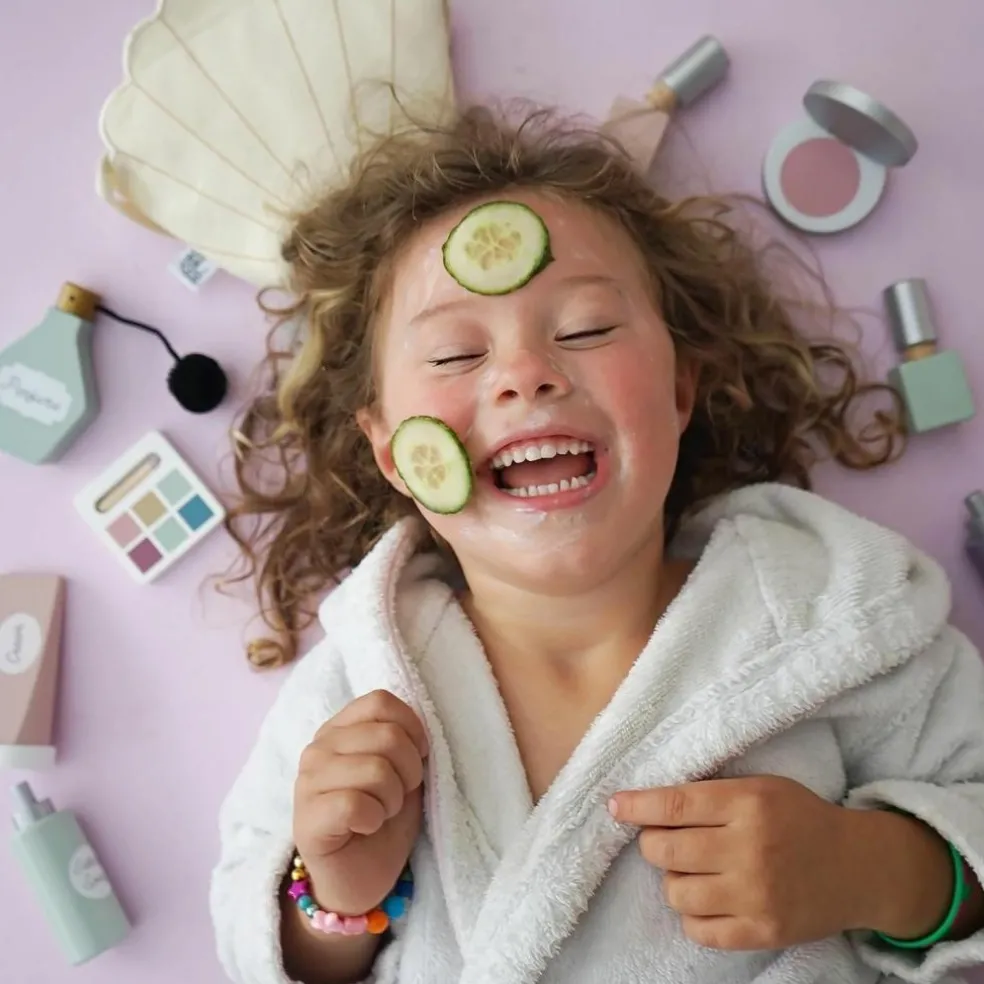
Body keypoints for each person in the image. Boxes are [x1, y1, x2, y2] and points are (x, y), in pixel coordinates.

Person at [209, 106, 984, 984]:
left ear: (680, 392)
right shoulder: (360, 679)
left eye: (583, 330)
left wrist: (871, 868)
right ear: (392, 451)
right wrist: (338, 895)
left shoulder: (840, 619)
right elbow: (249, 937)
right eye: (457, 354)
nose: (524, 373)